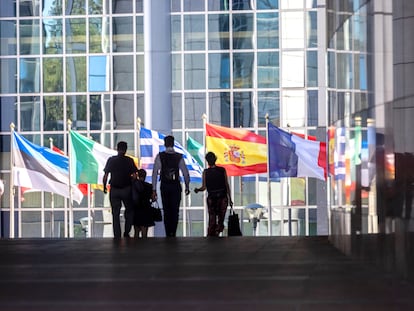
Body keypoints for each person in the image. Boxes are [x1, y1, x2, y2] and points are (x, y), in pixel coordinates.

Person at [152, 135, 190, 237]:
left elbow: (155, 173)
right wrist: (187, 186)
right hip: (175, 186)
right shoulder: (179, 157)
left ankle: (168, 232)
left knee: (167, 210)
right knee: (175, 210)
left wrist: (154, 189)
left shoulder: (160, 156)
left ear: (165, 144)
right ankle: (173, 231)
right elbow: (185, 173)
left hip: (164, 185)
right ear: (173, 144)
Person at [103, 141, 138, 238]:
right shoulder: (129, 161)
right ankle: (126, 232)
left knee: (115, 213)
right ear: (126, 149)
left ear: (117, 148)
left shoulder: (111, 160)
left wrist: (104, 186)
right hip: (126, 188)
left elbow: (105, 175)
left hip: (114, 189)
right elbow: (135, 175)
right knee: (129, 211)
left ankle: (117, 235)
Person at [194, 151, 233, 237]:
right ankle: (217, 231)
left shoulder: (205, 172)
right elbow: (226, 185)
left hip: (212, 198)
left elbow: (204, 187)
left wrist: (197, 190)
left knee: (212, 217)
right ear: (215, 159)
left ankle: (212, 234)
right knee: (221, 218)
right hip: (222, 197)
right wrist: (230, 198)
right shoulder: (222, 170)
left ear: (207, 161)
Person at [132, 169, 155, 238]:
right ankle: (144, 247)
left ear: (138, 176)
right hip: (146, 209)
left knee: (136, 232)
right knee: (144, 233)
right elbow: (153, 199)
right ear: (145, 176)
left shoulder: (134, 185)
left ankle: (136, 247)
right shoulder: (149, 186)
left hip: (137, 209)